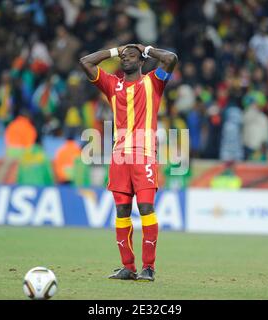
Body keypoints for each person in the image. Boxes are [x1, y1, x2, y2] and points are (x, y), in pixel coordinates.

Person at [79, 43, 177, 281]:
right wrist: (115, 50)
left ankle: (149, 267)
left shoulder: (154, 81)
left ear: (141, 60)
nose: (126, 58)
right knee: (122, 210)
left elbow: (170, 58)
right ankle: (128, 267)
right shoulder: (113, 84)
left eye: (132, 56)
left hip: (143, 154)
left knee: (145, 208)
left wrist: (147, 48)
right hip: (119, 156)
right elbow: (86, 62)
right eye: (124, 56)